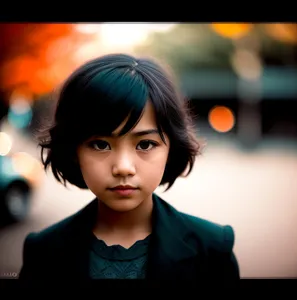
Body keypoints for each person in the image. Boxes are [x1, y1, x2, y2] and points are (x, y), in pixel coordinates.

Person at [18, 53, 240, 286]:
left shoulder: (213, 248)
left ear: (171, 148)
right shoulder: (42, 251)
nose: (123, 167)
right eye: (100, 144)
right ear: (74, 151)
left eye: (145, 144)